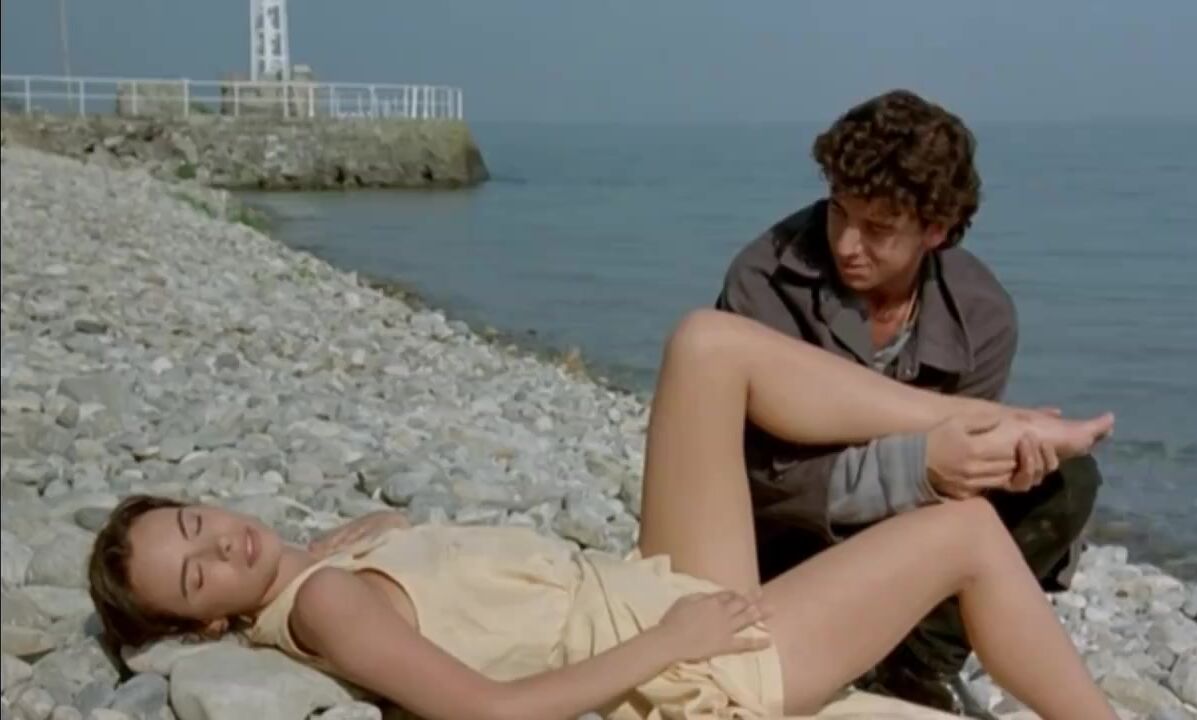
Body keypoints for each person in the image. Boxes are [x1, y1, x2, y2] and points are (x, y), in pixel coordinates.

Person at [87, 310, 1118, 720]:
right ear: (207, 625)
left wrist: (333, 548)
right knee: (963, 533)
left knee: (708, 346)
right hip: (686, 660)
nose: (221, 541)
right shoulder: (327, 606)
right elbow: (487, 713)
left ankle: (993, 421)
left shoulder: (319, 575)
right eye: (198, 573)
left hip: (640, 592)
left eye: (195, 521)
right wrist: (669, 643)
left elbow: (357, 595)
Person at [715, 90, 1105, 716]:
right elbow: (753, 476)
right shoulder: (764, 280)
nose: (847, 244)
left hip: (906, 532)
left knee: (1066, 481)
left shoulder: (982, 313)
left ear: (936, 230)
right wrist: (918, 466)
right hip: (775, 541)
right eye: (839, 212)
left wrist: (996, 465)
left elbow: (960, 484)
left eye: (878, 229)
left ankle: (915, 666)